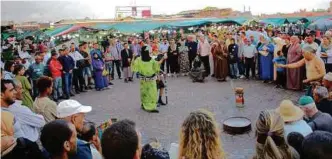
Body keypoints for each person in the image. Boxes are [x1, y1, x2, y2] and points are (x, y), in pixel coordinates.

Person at [132, 46, 166, 113]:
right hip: (150, 80)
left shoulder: (139, 59)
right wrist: (163, 59)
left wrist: (133, 57)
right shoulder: (150, 60)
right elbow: (157, 66)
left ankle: (146, 105)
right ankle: (150, 107)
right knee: (151, 93)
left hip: (145, 80)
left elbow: (134, 66)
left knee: (145, 93)